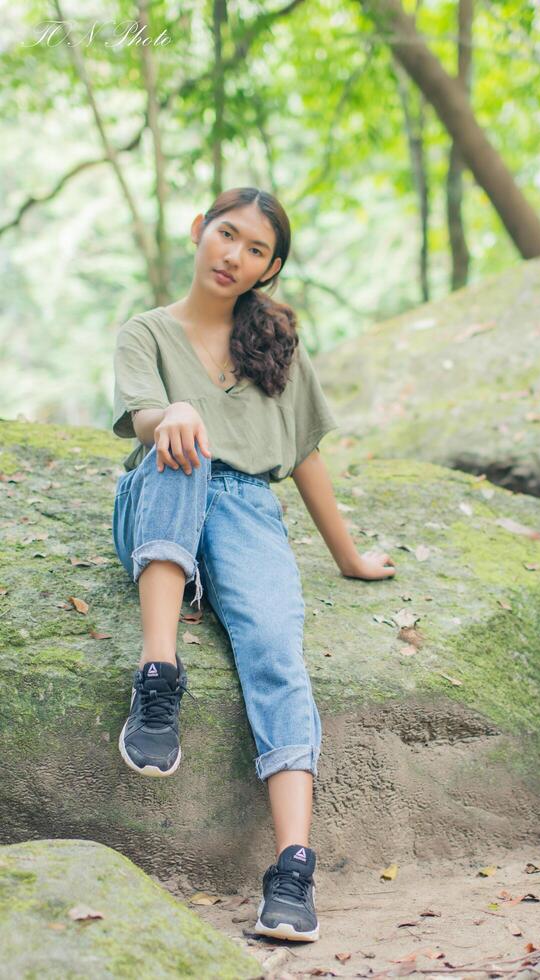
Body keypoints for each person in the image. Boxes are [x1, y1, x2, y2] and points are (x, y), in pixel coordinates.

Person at [111, 186, 396, 943]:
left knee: (275, 649)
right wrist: (173, 412)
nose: (234, 255)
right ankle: (158, 675)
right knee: (184, 441)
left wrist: (350, 557)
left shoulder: (275, 345)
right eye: (226, 234)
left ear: (270, 268)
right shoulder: (147, 331)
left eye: (256, 249)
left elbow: (303, 455)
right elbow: (144, 418)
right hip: (162, 484)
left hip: (245, 512)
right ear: (199, 229)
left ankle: (293, 868)